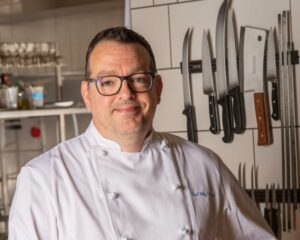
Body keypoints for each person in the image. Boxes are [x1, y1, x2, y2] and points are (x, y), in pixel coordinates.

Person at [9, 27, 276, 240]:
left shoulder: (204, 165)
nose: (125, 94)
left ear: (157, 89)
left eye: (138, 78)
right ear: (87, 94)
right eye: (108, 82)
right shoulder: (45, 178)